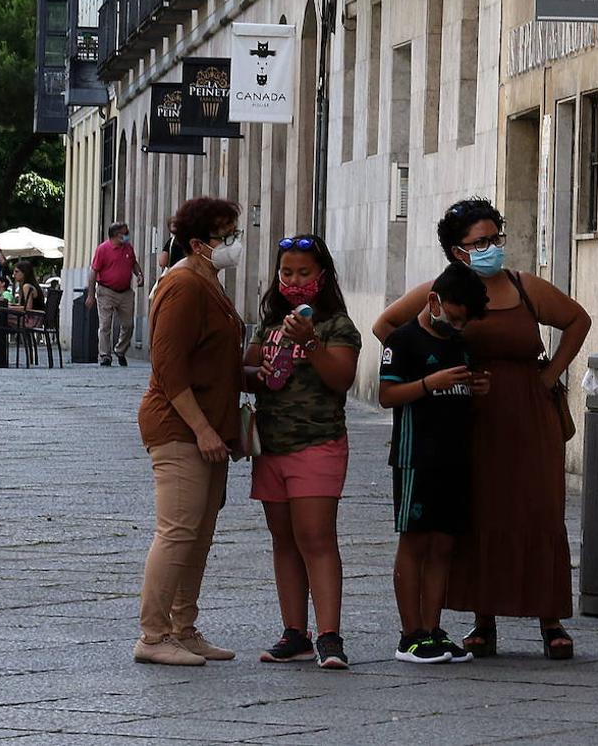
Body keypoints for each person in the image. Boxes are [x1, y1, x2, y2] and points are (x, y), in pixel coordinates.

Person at [373, 198, 591, 660]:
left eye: (496, 238)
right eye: (480, 241)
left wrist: (550, 374)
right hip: (466, 414)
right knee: (479, 511)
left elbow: (577, 320)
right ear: (457, 250)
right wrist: (429, 368)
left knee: (539, 508)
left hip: (529, 413)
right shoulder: (441, 291)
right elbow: (388, 326)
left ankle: (549, 618)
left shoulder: (525, 287)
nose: (491, 248)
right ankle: (482, 619)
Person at [244, 235, 362, 670]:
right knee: (284, 540)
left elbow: (342, 378)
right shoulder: (269, 322)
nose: (294, 280)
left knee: (316, 537)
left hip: (318, 443)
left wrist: (310, 343)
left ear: (323, 276)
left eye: (304, 273)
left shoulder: (337, 325)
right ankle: (295, 631)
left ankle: (330, 635)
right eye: (286, 272)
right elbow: (249, 371)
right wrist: (259, 365)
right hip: (271, 445)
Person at [135, 197, 244, 666]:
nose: (235, 244)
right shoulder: (182, 285)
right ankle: (153, 635)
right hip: (180, 426)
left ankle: (183, 626)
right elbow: (169, 369)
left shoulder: (209, 282)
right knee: (177, 530)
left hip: (209, 426)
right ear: (200, 244)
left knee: (199, 533)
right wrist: (202, 429)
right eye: (228, 236)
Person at [379, 263, 491, 664]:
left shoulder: (458, 343)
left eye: (463, 322)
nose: (457, 325)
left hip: (454, 456)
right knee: (415, 540)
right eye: (454, 316)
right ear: (434, 302)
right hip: (416, 456)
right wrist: (429, 384)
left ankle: (432, 627)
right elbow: (387, 395)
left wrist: (477, 386)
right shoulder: (403, 339)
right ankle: (410, 633)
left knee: (443, 544)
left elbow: (462, 388)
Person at [86, 221, 144, 367]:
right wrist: (91, 294)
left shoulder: (128, 248)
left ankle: (120, 350)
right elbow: (93, 271)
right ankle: (105, 355)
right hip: (106, 291)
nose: (127, 235)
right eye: (125, 233)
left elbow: (133, 263)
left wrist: (139, 274)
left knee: (128, 325)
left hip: (125, 292)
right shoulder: (103, 249)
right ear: (116, 235)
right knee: (105, 324)